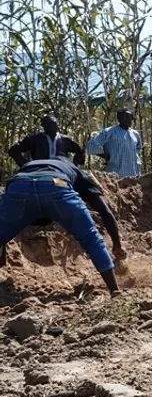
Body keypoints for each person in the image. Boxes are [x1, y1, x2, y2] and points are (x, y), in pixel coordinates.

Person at [0, 156, 127, 294]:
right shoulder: (74, 171)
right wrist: (117, 244)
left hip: (20, 185)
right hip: (56, 184)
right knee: (91, 239)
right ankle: (114, 291)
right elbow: (105, 211)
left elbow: (9, 204)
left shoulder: (29, 166)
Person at [8, 114, 85, 167]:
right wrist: (25, 164)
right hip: (39, 169)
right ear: (43, 125)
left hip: (61, 169)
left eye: (55, 124)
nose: (53, 126)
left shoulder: (65, 139)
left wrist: (73, 164)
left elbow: (80, 151)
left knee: (81, 182)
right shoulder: (34, 139)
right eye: (49, 124)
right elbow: (13, 150)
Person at [87, 109, 143, 177]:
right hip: (115, 174)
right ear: (119, 119)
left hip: (133, 175)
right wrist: (106, 156)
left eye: (130, 117)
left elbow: (137, 149)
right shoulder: (110, 132)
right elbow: (91, 146)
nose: (129, 119)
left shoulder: (135, 134)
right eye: (126, 117)